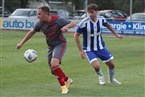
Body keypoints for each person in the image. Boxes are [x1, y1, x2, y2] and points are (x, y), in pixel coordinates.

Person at [16, 6, 76, 94]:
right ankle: (67, 79)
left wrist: (66, 26)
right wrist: (21, 43)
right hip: (51, 47)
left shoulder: (58, 20)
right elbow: (32, 32)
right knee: (53, 70)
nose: (37, 16)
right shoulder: (40, 23)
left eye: (39, 14)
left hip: (60, 44)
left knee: (54, 64)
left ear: (46, 14)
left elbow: (73, 23)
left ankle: (64, 87)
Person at [74, 3, 123, 85]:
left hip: (100, 47)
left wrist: (116, 34)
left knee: (112, 65)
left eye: (92, 12)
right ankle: (100, 76)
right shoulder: (84, 22)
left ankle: (112, 79)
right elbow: (76, 35)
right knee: (96, 66)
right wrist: (81, 51)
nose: (90, 14)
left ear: (97, 12)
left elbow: (108, 25)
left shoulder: (101, 19)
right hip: (89, 49)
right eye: (88, 12)